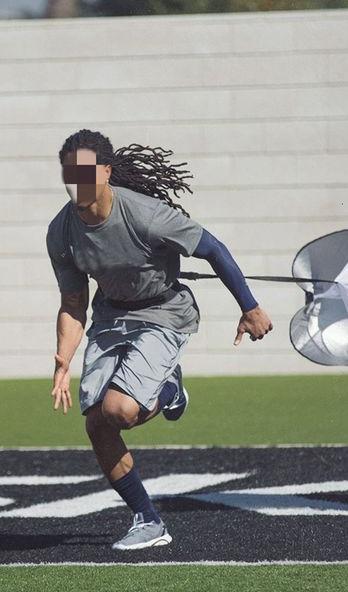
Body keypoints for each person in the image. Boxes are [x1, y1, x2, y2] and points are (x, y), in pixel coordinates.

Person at [46, 129, 273, 550]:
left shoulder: (145, 215)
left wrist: (250, 307)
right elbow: (74, 301)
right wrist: (63, 359)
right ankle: (147, 519)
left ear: (107, 172)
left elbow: (214, 250)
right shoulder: (61, 231)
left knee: (121, 410)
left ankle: (169, 388)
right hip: (112, 315)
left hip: (163, 312)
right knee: (97, 423)